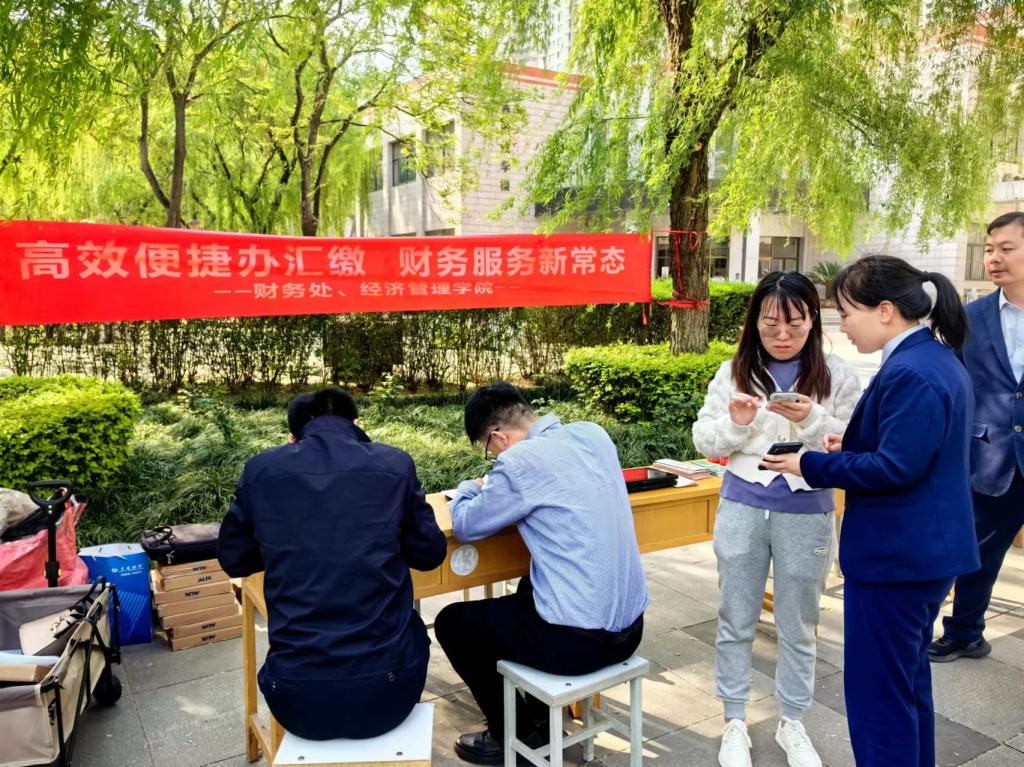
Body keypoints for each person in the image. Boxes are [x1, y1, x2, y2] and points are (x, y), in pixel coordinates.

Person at [762, 255, 980, 766]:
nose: (843, 325)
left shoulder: (912, 371)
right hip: (920, 553)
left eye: (846, 312)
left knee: (879, 700)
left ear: (884, 310)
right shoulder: (932, 358)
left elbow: (894, 468)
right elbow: (912, 451)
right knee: (906, 686)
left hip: (897, 559)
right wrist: (853, 446)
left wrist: (807, 462)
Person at [692, 271, 861, 767]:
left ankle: (793, 721)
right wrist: (737, 422)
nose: (782, 335)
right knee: (735, 615)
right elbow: (704, 439)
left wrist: (810, 419)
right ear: (755, 322)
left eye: (795, 323)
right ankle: (734, 720)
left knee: (799, 622)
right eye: (770, 323)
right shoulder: (733, 371)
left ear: (813, 320)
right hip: (743, 505)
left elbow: (852, 441)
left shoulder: (837, 373)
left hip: (807, 509)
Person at [433, 383, 647, 765]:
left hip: (579, 645)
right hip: (631, 630)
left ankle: (514, 734)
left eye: (488, 450)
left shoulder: (517, 463)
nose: (493, 457)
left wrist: (470, 487)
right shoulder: (593, 434)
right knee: (527, 588)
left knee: (453, 623)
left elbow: (465, 524)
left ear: (498, 436)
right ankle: (539, 719)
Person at [217, 387, 447, 740]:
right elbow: (430, 555)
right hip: (388, 695)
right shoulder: (394, 464)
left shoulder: (261, 470)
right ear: (356, 423)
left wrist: (285, 546)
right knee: (413, 628)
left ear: (292, 437)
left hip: (295, 700)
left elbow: (234, 560)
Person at [930, 211, 1024, 663]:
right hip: (991, 455)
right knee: (978, 551)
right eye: (989, 250)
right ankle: (965, 632)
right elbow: (951, 383)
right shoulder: (970, 317)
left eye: (1006, 248)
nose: (993, 258)